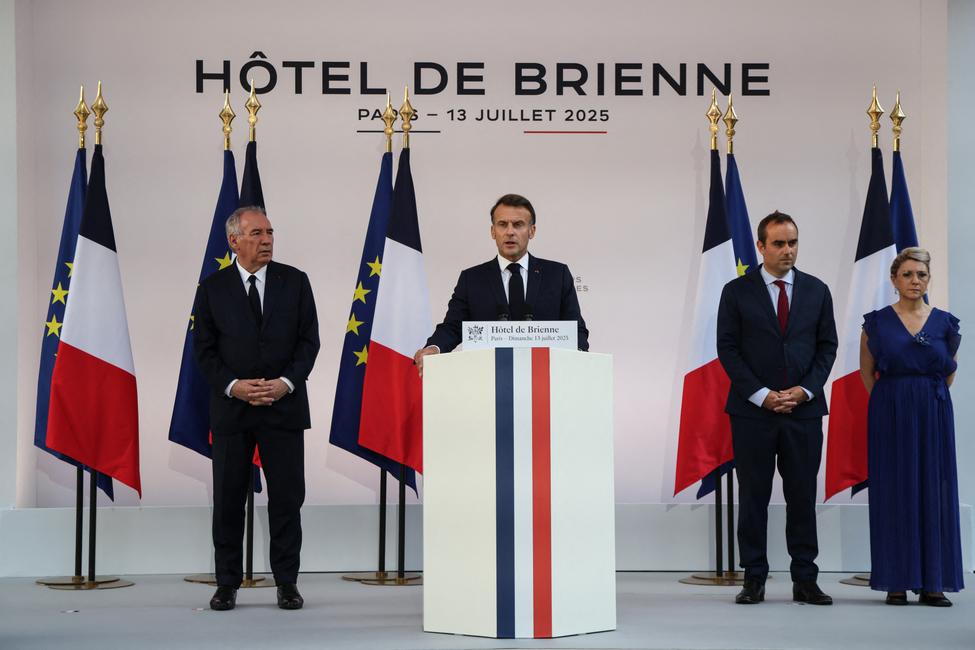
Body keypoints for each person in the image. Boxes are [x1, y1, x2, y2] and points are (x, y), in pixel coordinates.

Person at [193, 206, 320, 611]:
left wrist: (284, 384)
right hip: (233, 410)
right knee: (229, 501)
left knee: (286, 500)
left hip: (283, 408)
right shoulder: (212, 287)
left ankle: (287, 584)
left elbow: (308, 342)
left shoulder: (295, 282)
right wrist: (235, 386)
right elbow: (204, 350)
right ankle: (226, 584)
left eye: (269, 232)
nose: (266, 240)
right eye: (256, 233)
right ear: (234, 240)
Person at [716, 210, 837, 605]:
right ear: (761, 246)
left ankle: (805, 578)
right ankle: (754, 577)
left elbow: (826, 348)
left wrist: (805, 390)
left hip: (803, 412)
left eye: (794, 243)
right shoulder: (736, 292)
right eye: (780, 244)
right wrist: (761, 393)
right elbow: (728, 349)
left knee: (802, 496)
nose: (788, 251)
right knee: (753, 496)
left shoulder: (817, 290)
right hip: (753, 413)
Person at [859, 247, 964, 607]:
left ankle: (934, 583)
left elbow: (949, 371)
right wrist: (895, 399)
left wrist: (920, 395)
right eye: (907, 274)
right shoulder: (875, 322)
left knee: (934, 489)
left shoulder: (947, 323)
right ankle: (896, 581)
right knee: (894, 490)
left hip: (932, 412)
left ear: (928, 279)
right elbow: (866, 372)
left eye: (921, 275)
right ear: (894, 279)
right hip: (889, 410)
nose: (915, 280)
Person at [414, 193, 589, 372]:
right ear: (493, 231)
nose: (510, 232)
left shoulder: (557, 275)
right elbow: (452, 327)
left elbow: (576, 330)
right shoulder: (472, 279)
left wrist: (579, 357)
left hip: (544, 380)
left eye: (518, 224)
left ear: (532, 231)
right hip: (488, 380)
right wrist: (434, 348)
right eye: (502, 224)